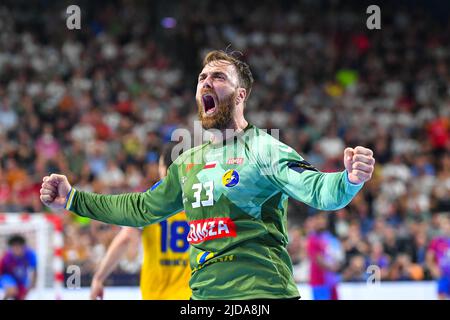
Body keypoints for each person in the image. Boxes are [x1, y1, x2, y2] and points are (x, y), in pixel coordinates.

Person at [40, 50, 375, 300]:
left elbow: (320, 191)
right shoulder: (187, 164)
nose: (206, 82)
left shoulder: (263, 149)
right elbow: (141, 209)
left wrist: (349, 179)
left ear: (240, 95)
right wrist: (73, 198)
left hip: (260, 296)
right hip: (201, 298)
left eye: (218, 77)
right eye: (202, 77)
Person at [90, 144, 191, 300]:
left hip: (155, 292)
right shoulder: (201, 202)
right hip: (190, 295)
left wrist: (98, 278)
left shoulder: (149, 202)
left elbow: (124, 239)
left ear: (163, 168)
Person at [306, 213, 343, 300]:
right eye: (319, 220)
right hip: (319, 281)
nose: (321, 222)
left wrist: (337, 264)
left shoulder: (329, 237)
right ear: (314, 222)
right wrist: (333, 267)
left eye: (323, 220)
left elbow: (337, 255)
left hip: (332, 281)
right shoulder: (312, 239)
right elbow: (318, 259)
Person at [0, 234, 37, 300]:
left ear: (23, 247)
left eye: (18, 246)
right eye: (14, 246)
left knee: (21, 296)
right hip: (7, 277)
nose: (16, 249)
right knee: (12, 290)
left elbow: (34, 270)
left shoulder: (30, 255)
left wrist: (32, 284)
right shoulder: (6, 257)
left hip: (21, 280)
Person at [426, 214, 450, 300]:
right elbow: (429, 258)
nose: (446, 227)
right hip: (444, 276)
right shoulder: (437, 241)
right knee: (441, 296)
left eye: (448, 224)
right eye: (444, 225)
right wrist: (433, 269)